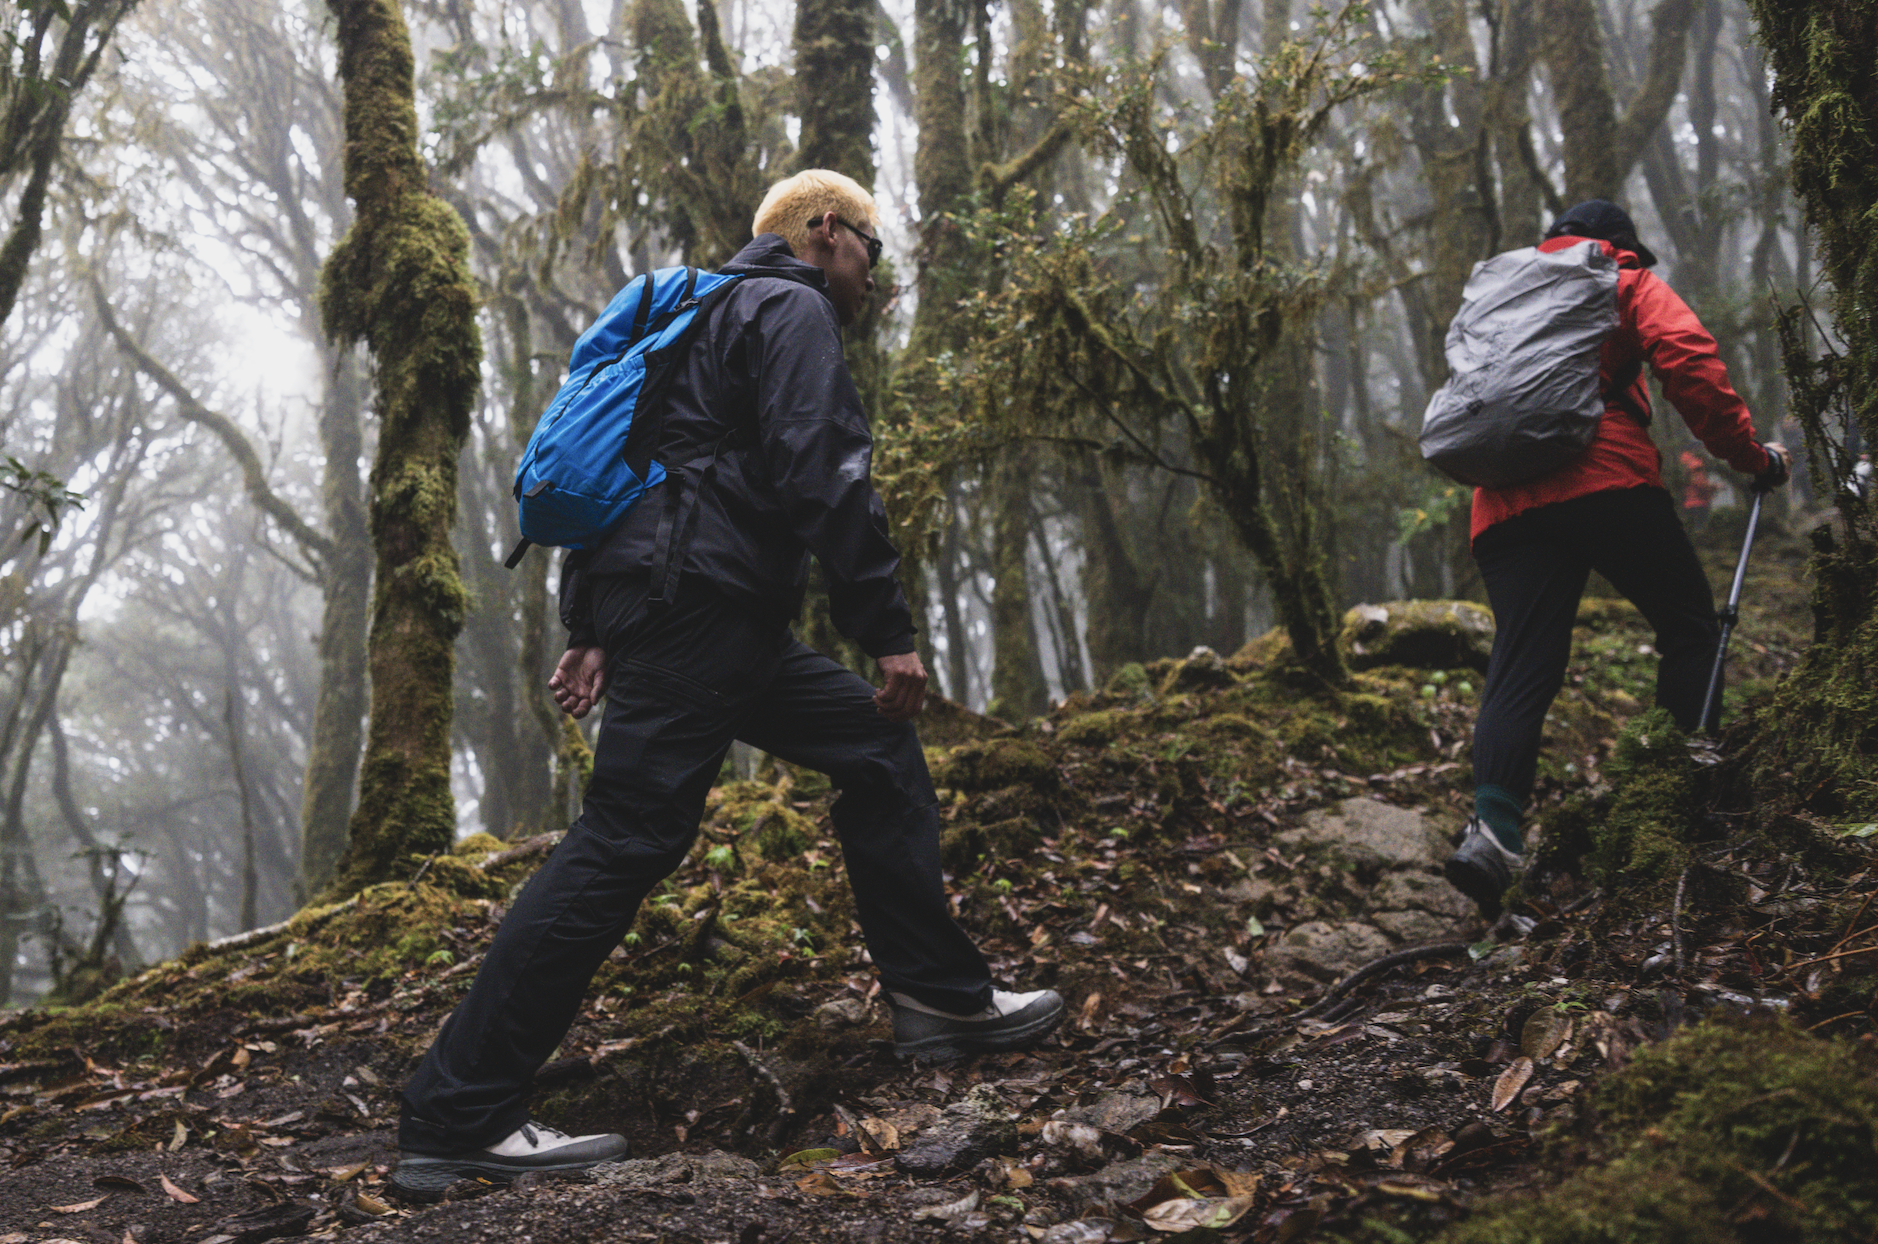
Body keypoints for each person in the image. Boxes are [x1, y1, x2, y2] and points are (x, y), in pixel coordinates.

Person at [390, 170, 1065, 1197]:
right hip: (701, 611)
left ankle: (940, 997)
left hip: (702, 615)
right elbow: (825, 467)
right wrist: (886, 630)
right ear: (827, 231)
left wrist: (594, 625)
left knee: (874, 744)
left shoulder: (696, 314)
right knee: (626, 835)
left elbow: (632, 471)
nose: (873, 276)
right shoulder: (787, 306)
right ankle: (459, 1112)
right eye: (872, 251)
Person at [1444, 200, 1791, 918]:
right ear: (1619, 243)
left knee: (1521, 662)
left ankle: (1494, 834)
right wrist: (1751, 457)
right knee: (1690, 628)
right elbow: (1687, 357)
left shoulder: (1503, 292)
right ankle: (1675, 793)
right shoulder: (1618, 275)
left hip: (1501, 503)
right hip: (1604, 479)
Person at [1678, 449, 1718, 533]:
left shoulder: (1686, 474)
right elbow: (1701, 486)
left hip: (1689, 505)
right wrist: (1715, 487)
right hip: (1699, 505)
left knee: (1692, 529)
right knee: (1701, 528)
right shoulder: (1697, 472)